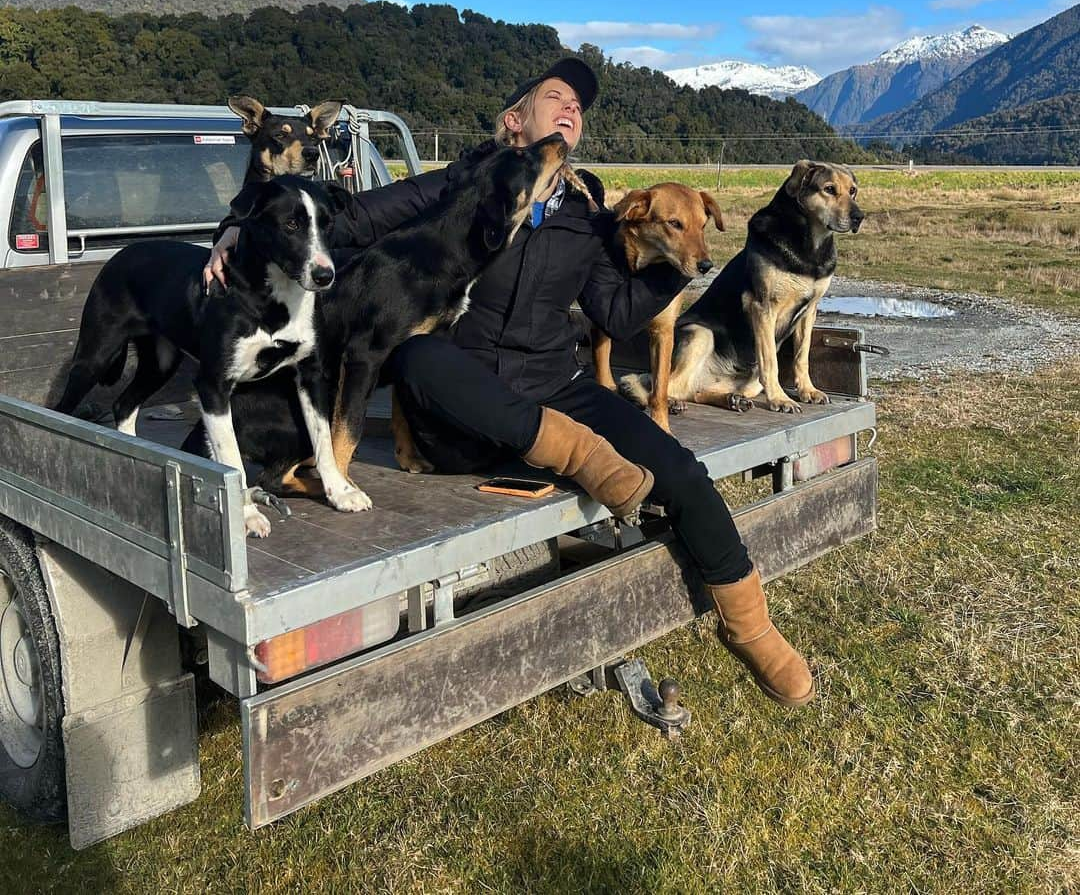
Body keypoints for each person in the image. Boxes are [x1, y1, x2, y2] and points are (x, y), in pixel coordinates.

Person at [204, 58, 814, 706]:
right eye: (557, 95)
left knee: (682, 470)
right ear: (514, 120)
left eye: (581, 103)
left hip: (554, 386)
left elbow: (613, 312)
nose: (573, 105)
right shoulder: (457, 188)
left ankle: (753, 629)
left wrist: (680, 264)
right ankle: (578, 455)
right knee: (416, 355)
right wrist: (237, 228)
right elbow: (349, 219)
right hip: (457, 410)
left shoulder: (586, 213)